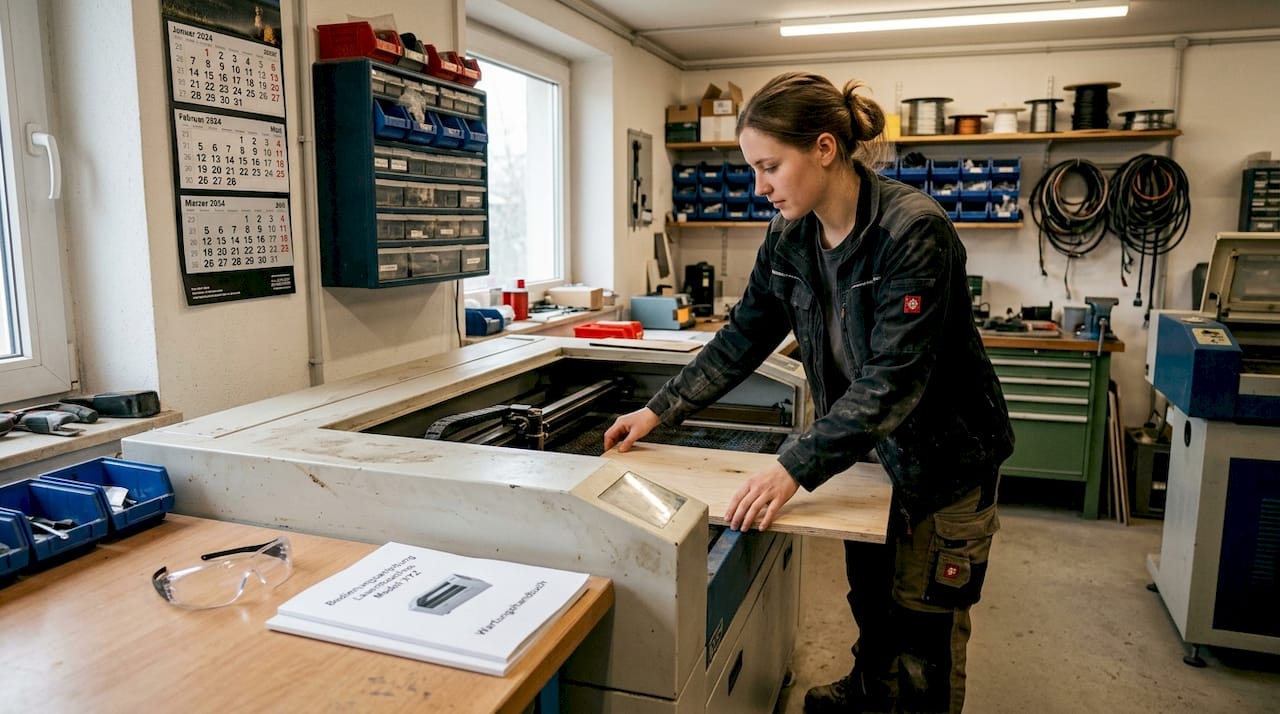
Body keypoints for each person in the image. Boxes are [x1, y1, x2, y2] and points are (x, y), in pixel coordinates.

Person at [603, 71, 1014, 714]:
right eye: (753, 170)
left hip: (943, 463)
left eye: (770, 167)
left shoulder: (912, 231)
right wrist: (659, 410)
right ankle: (868, 691)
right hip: (865, 454)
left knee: (922, 630)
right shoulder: (789, 236)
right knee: (870, 598)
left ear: (825, 148)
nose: (759, 187)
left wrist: (793, 465)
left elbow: (893, 379)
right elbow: (743, 336)